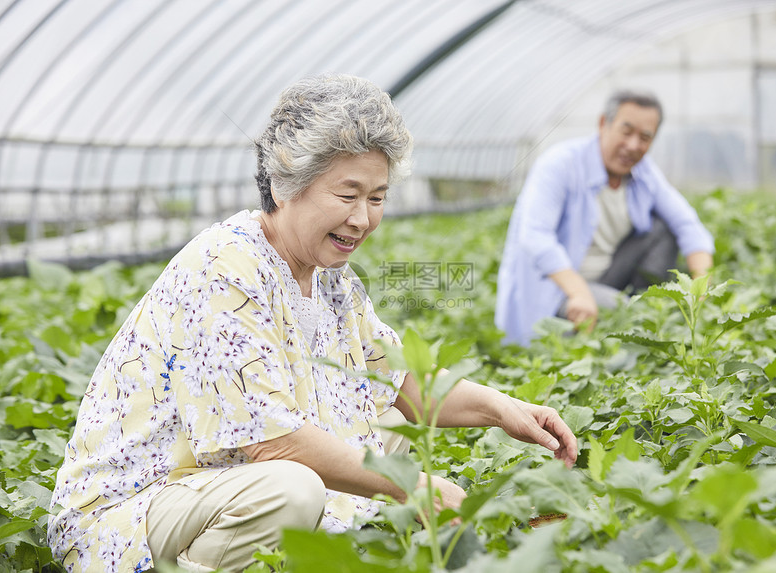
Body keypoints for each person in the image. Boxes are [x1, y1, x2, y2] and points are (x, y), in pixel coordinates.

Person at [48, 74, 578, 572]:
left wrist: (506, 409)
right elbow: (271, 441)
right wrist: (414, 486)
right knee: (292, 489)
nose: (363, 218)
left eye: (377, 198)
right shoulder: (225, 267)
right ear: (285, 185)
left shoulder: (330, 277)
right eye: (347, 195)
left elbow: (398, 383)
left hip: (219, 485)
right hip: (131, 513)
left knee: (388, 429)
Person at [495, 89, 715, 346]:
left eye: (645, 137)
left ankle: (641, 307)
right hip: (556, 288)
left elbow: (686, 223)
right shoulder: (560, 164)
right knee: (637, 319)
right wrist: (578, 292)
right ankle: (625, 320)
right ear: (603, 124)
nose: (633, 145)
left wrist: (702, 293)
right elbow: (535, 236)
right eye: (626, 131)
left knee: (663, 230)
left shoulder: (643, 172)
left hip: (606, 276)